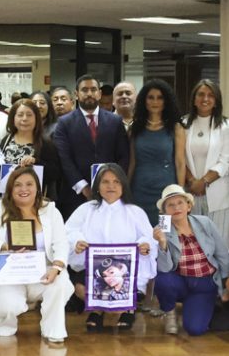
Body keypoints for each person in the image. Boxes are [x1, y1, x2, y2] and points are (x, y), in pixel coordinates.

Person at [0, 166, 73, 343]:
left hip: (42, 272)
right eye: (18, 185)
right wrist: (4, 246)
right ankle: (6, 320)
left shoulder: (50, 210)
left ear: (38, 188)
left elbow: (61, 243)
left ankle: (53, 330)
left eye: (29, 184)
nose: (24, 189)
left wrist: (57, 267)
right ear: (10, 188)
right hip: (8, 273)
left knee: (61, 282)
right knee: (9, 305)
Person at [65, 163, 156, 330]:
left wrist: (145, 246)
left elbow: (149, 237)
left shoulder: (135, 211)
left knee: (124, 283)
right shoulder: (86, 209)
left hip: (125, 272)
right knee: (80, 288)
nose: (111, 186)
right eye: (105, 182)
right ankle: (98, 309)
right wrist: (77, 242)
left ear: (123, 185)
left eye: (116, 182)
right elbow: (69, 232)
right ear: (97, 186)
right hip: (95, 269)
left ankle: (128, 309)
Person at [153, 184, 229, 335]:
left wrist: (226, 278)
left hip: (205, 283)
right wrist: (162, 244)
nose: (176, 208)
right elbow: (164, 268)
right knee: (162, 281)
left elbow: (222, 253)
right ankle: (169, 311)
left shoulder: (204, 222)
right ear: (164, 211)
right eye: (171, 205)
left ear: (188, 206)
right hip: (180, 281)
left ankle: (203, 305)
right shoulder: (162, 230)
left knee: (195, 329)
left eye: (180, 202)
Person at [53, 75, 130, 218]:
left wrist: (113, 183)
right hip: (75, 194)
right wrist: (83, 187)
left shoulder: (115, 121)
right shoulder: (64, 123)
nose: (89, 93)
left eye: (93, 89)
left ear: (99, 94)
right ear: (76, 94)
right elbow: (65, 159)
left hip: (111, 192)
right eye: (84, 90)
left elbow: (123, 155)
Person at [128, 78, 186, 225]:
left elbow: (180, 162)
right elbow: (132, 162)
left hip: (166, 190)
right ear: (144, 100)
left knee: (164, 234)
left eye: (160, 98)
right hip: (139, 189)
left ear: (166, 101)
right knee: (140, 232)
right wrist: (126, 188)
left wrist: (181, 192)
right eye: (151, 97)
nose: (155, 102)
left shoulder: (176, 128)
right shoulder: (134, 128)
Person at [182, 79, 229, 247]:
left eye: (210, 95)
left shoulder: (225, 126)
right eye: (201, 94)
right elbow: (179, 157)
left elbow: (225, 161)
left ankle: (221, 274)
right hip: (190, 192)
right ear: (194, 99)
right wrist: (192, 181)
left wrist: (204, 182)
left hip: (217, 194)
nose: (205, 99)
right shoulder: (183, 124)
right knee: (193, 243)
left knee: (219, 243)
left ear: (216, 101)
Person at [0, 98, 62, 201]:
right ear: (13, 118)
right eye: (20, 115)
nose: (24, 119)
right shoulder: (6, 141)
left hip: (36, 200)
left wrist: (36, 162)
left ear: (36, 118)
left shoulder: (45, 143)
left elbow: (55, 172)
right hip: (9, 199)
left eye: (29, 115)